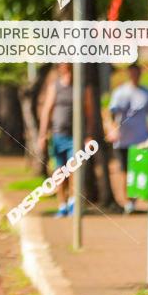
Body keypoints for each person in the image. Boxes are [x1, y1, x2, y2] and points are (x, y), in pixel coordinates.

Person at [37, 63, 95, 218]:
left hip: (76, 137)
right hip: (58, 135)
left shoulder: (82, 87)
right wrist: (43, 135)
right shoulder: (54, 86)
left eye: (68, 67)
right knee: (59, 172)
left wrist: (89, 135)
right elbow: (47, 111)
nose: (66, 70)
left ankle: (73, 203)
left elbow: (89, 112)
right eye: (63, 67)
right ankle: (62, 205)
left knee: (74, 170)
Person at [107, 63, 148, 214]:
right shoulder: (120, 92)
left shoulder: (147, 93)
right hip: (123, 139)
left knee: (137, 170)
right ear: (129, 74)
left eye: (137, 73)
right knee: (124, 171)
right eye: (132, 73)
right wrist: (113, 129)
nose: (135, 75)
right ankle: (127, 202)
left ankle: (133, 201)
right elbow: (111, 113)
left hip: (141, 139)